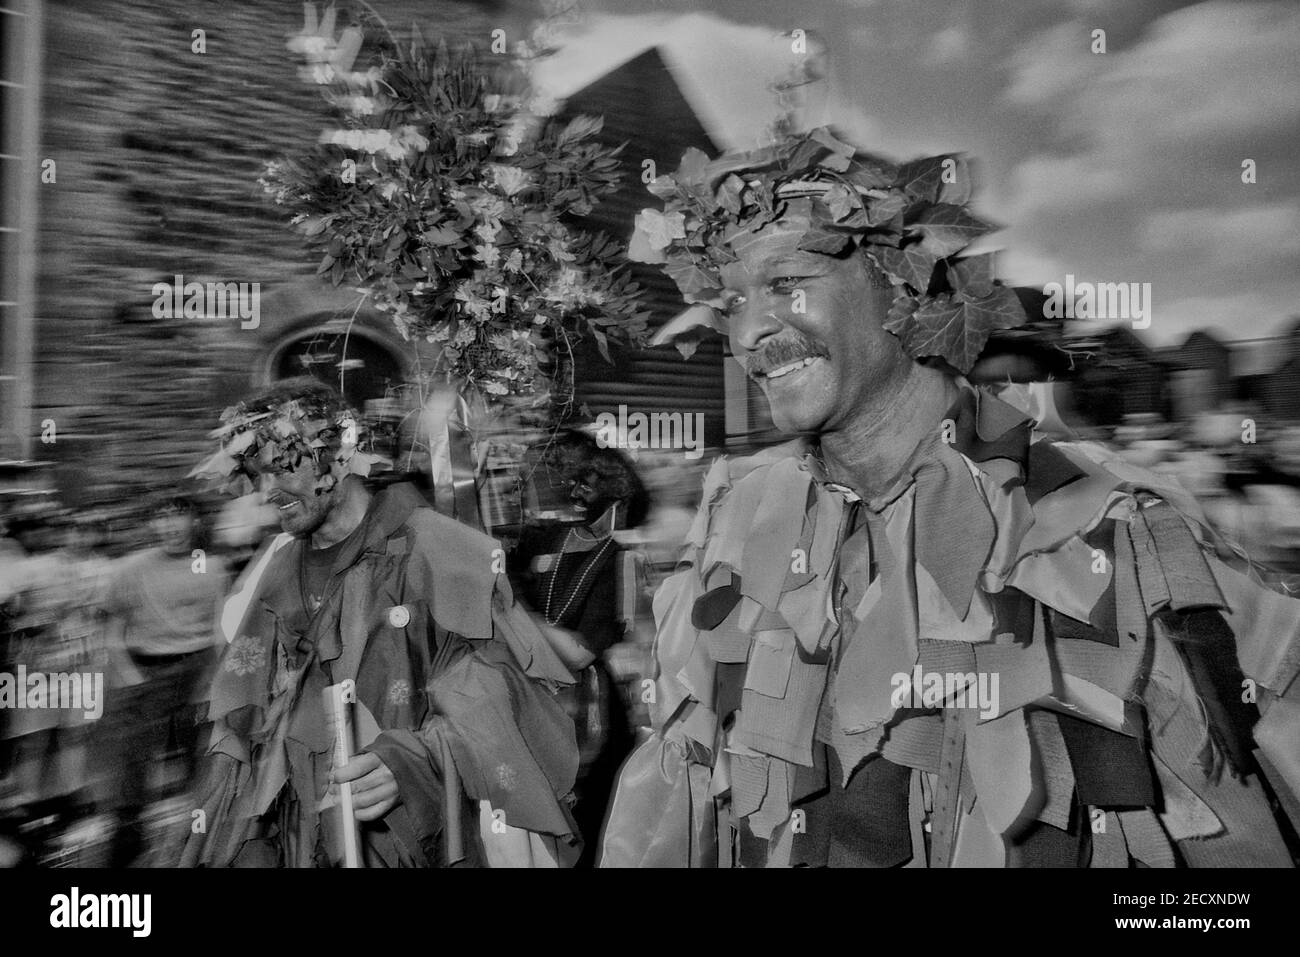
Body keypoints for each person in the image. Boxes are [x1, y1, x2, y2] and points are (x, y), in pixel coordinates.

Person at [600, 128, 1300, 867]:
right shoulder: (730, 526)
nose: (747, 332)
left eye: (784, 283)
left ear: (901, 282)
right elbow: (677, 791)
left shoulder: (1106, 527)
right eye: (731, 302)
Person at [181, 378, 580, 867]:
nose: (266, 491)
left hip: (415, 842)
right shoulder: (276, 569)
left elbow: (506, 701)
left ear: (340, 453)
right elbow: (245, 724)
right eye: (254, 474)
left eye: (280, 469)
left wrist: (413, 760)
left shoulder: (440, 553)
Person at [510, 430, 648, 867]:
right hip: (536, 703)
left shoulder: (618, 559)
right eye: (572, 481)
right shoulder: (547, 537)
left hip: (588, 715)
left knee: (584, 833)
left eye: (586, 485)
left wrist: (516, 612)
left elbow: (580, 652)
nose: (575, 492)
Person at [97, 493, 228, 867]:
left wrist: (218, 676)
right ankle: (127, 839)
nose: (171, 525)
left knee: (201, 761)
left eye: (179, 516)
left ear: (195, 522)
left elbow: (220, 625)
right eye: (162, 517)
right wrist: (130, 676)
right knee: (132, 765)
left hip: (197, 667)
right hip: (146, 668)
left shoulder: (211, 566)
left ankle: (200, 843)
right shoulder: (131, 568)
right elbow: (112, 629)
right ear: (151, 524)